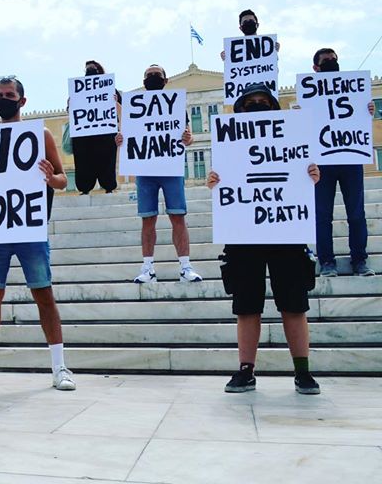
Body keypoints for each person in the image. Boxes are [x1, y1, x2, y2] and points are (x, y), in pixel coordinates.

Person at [0, 76, 76, 391]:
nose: (2, 99)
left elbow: (63, 179)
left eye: (9, 94)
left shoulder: (40, 134)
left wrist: (51, 178)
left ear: (22, 101)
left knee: (43, 294)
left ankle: (60, 368)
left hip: (28, 227)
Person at [208, 83, 321, 394]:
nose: (257, 105)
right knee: (246, 305)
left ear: (275, 108)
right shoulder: (229, 142)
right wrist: (215, 181)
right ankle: (246, 370)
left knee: (295, 304)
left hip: (286, 230)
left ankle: (303, 371)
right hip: (244, 232)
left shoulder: (293, 136)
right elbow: (227, 182)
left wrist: (311, 176)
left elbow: (303, 175)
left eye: (263, 101)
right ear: (240, 110)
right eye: (251, 102)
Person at [115, 65, 203, 284]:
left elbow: (188, 136)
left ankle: (185, 266)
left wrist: (187, 139)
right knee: (148, 219)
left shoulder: (176, 106)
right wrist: (120, 140)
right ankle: (147, 268)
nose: (152, 78)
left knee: (178, 217)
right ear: (144, 81)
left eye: (156, 76)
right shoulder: (134, 107)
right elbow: (128, 135)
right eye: (148, 76)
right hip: (145, 170)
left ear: (165, 81)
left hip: (170, 168)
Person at [311, 48, 376, 277]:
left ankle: (359, 260)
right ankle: (326, 262)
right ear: (316, 68)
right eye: (326, 60)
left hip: (351, 158)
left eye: (334, 59)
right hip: (322, 162)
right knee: (322, 215)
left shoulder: (353, 88)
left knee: (356, 213)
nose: (331, 62)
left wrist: (367, 110)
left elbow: (359, 116)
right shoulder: (309, 94)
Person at [71, 60, 120, 194]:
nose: (90, 72)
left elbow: (121, 112)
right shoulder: (78, 90)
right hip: (83, 135)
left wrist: (115, 101)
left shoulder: (111, 89)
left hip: (106, 133)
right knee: (83, 162)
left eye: (93, 69)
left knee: (107, 160)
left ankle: (109, 187)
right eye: (87, 70)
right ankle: (84, 188)